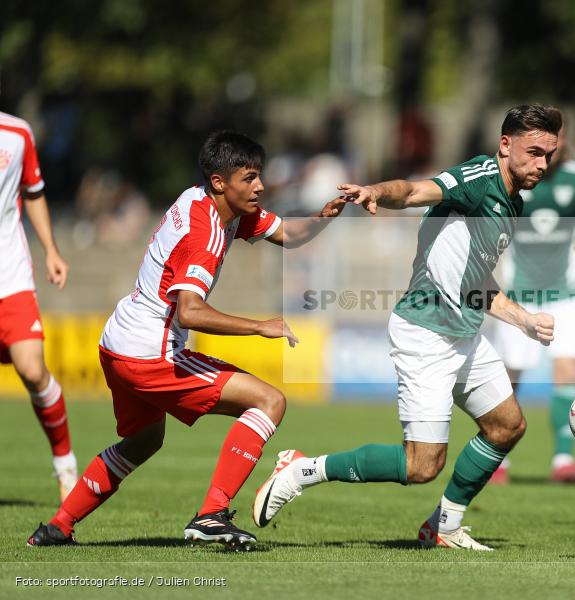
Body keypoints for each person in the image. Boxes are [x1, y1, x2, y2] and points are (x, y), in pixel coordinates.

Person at [253, 104, 561, 551]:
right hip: (426, 334)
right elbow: (417, 190)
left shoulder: (512, 201)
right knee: (421, 466)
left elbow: (476, 282)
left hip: (464, 333)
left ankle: (444, 527)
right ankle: (302, 469)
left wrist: (523, 320)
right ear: (505, 145)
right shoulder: (477, 180)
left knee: (507, 426)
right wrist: (377, 190)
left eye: (549, 155)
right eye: (534, 152)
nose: (542, 164)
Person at [27, 131, 346, 548]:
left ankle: (56, 527)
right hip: (150, 351)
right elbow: (189, 312)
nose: (261, 186)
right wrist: (259, 326)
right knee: (269, 401)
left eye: (259, 176)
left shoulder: (209, 202)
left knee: (143, 441)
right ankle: (212, 515)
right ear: (220, 181)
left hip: (118, 342)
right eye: (250, 178)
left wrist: (326, 216)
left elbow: (288, 234)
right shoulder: (207, 232)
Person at [490, 125, 575, 485]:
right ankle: (497, 462)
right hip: (519, 296)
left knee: (567, 374)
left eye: (555, 142)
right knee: (508, 377)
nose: (549, 151)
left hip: (567, 295)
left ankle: (563, 461)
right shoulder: (509, 175)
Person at [0, 111, 77, 502]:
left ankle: (65, 465)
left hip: (9, 275)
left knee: (31, 368)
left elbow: (33, 192)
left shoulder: (17, 132)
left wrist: (51, 250)